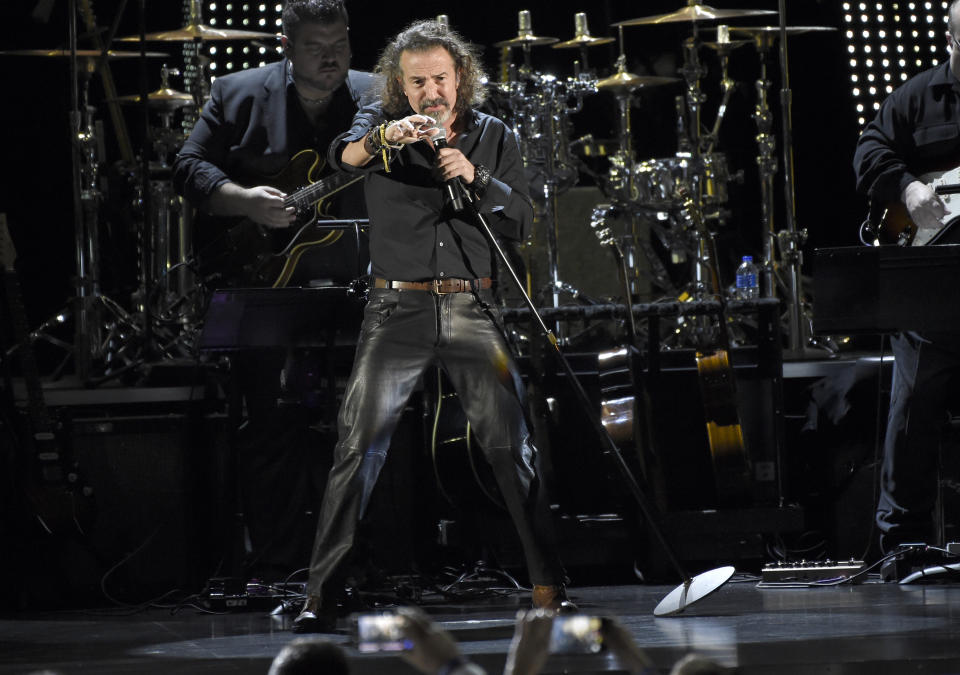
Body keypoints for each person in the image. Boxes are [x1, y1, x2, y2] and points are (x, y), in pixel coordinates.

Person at [292, 19, 572, 633]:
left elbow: (524, 220)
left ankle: (549, 588)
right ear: (400, 84)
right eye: (416, 82)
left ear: (459, 78)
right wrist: (387, 134)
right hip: (398, 310)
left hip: (474, 306)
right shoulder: (380, 126)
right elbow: (345, 155)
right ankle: (320, 595)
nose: (430, 92)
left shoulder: (493, 134)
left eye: (439, 79)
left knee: (511, 449)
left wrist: (474, 176)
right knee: (357, 448)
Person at [172, 0, 375, 579]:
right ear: (286, 47)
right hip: (263, 284)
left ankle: (370, 559)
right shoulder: (236, 93)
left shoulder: (377, 94)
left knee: (371, 419)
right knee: (268, 423)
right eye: (316, 47)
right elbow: (188, 167)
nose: (332, 57)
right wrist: (243, 201)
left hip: (357, 281)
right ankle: (278, 561)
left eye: (339, 43)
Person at [853, 0, 960, 553]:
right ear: (949, 38)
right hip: (930, 281)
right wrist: (909, 187)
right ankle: (903, 543)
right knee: (914, 403)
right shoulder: (918, 97)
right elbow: (868, 150)